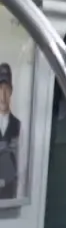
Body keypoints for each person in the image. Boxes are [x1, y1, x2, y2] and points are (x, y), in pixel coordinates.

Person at [0, 62, 21, 201]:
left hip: (10, 193)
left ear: (11, 91)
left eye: (6, 89)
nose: (3, 95)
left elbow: (21, 161)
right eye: (0, 89)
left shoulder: (17, 124)